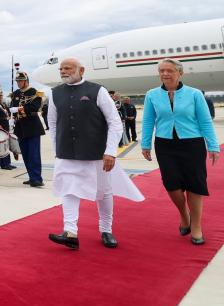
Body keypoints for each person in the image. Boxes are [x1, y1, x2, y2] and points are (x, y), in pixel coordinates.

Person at [47, 58, 144, 250]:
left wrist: (110, 151)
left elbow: (115, 122)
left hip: (97, 153)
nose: (64, 71)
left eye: (68, 68)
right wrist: (57, 148)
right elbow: (53, 123)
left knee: (103, 191)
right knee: (69, 189)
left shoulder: (97, 91)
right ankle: (70, 232)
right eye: (61, 69)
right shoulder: (54, 93)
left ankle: (106, 230)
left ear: (81, 70)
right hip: (66, 152)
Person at [141, 58, 219, 245]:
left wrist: (213, 145)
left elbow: (205, 121)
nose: (165, 74)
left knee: (195, 184)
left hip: (192, 143)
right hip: (165, 144)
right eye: (162, 71)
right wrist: (145, 144)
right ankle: (184, 214)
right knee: (171, 185)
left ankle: (196, 226)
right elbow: (148, 120)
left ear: (180, 73)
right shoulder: (152, 95)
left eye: (169, 70)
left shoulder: (194, 94)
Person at [10, 71, 45, 186]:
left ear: (26, 81)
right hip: (20, 127)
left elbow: (34, 107)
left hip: (32, 126)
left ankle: (37, 179)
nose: (19, 83)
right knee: (25, 154)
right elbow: (11, 107)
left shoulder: (34, 92)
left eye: (20, 81)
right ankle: (31, 176)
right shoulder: (15, 93)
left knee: (33, 154)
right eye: (17, 81)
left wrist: (19, 109)